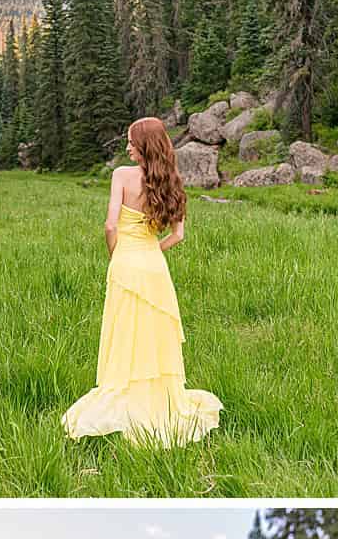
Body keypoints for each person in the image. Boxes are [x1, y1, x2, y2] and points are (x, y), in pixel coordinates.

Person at [62, 118, 222, 447]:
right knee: (153, 335)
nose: (127, 147)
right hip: (154, 266)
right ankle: (158, 401)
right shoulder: (172, 181)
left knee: (125, 333)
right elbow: (177, 236)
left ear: (144, 145)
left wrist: (117, 255)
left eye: (131, 142)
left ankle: (126, 396)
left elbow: (110, 226)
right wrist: (152, 250)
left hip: (125, 262)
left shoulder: (121, 175)